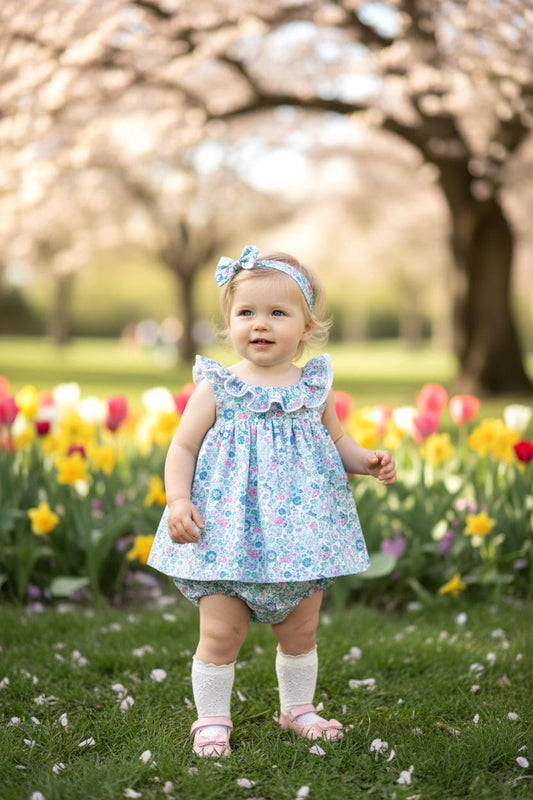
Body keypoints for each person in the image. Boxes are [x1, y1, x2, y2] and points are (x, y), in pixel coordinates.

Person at [148, 245, 397, 758]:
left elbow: (337, 442)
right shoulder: (219, 386)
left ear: (306, 327)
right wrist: (178, 500)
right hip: (226, 533)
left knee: (301, 631)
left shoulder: (313, 386)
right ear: (229, 322)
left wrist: (365, 460)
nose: (259, 325)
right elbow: (183, 446)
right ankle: (212, 720)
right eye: (246, 313)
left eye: (277, 313)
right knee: (220, 632)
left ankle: (297, 709)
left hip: (300, 537)